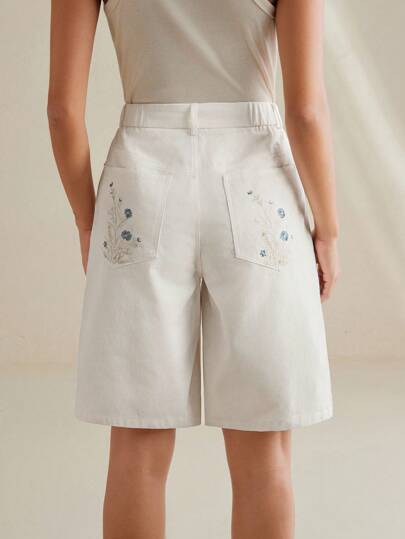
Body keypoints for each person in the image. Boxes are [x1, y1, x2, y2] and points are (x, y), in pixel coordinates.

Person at [47, 0, 340, 537]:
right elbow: (305, 111)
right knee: (263, 447)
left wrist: (87, 218)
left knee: (137, 440)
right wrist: (329, 230)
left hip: (141, 172)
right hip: (257, 178)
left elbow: (63, 111)